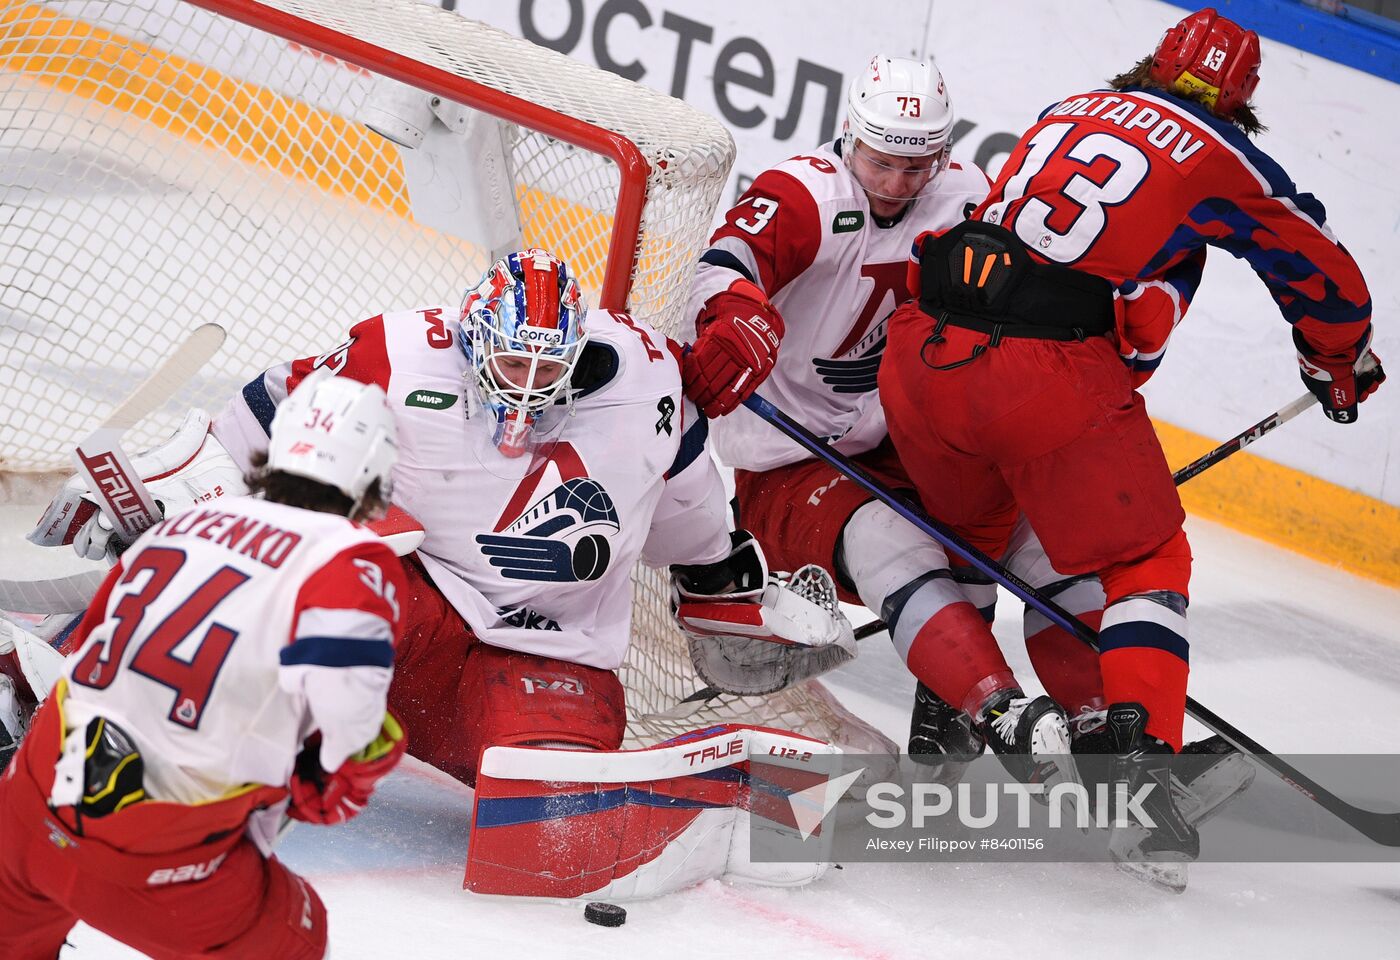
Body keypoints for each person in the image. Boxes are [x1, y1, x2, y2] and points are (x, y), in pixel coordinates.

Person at [879, 7, 1382, 885]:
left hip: (921, 353)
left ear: (1153, 60)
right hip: (1035, 376)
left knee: (979, 538)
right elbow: (1322, 272)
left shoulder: (1072, 107)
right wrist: (1337, 360)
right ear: (1243, 99)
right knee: (1146, 556)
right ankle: (1142, 785)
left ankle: (946, 725)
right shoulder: (1224, 152)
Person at [31, 247, 813, 792]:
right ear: (475, 340)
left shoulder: (648, 381)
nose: (530, 389)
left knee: (549, 805)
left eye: (552, 369)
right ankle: (65, 678)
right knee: (297, 581)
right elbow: (262, 420)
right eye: (514, 363)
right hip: (413, 612)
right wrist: (169, 492)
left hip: (547, 653)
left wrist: (716, 574)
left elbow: (685, 502)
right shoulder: (399, 353)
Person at [683, 53, 1105, 782]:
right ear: (850, 134)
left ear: (940, 155)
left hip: (909, 437)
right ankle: (996, 707)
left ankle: (1110, 733)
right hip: (790, 457)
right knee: (891, 537)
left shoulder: (968, 193)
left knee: (1048, 531)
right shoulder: (805, 193)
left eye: (915, 169)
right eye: (880, 163)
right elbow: (721, 264)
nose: (894, 185)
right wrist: (733, 311)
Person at [0, 373, 407, 958]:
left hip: (28, 808)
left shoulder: (181, 526)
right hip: (155, 862)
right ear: (375, 474)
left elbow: (88, 647)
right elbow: (350, 715)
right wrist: (338, 776)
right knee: (297, 936)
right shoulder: (351, 558)